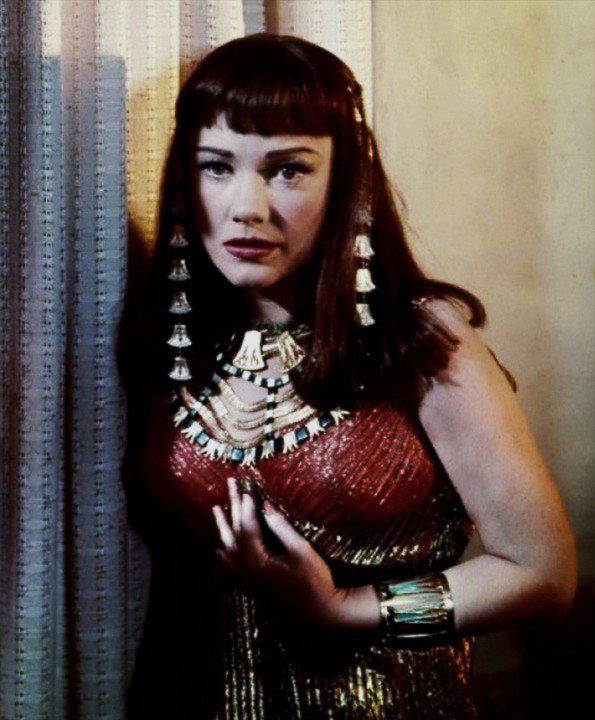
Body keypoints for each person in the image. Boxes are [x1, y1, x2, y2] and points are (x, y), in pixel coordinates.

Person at [120, 32, 577, 720]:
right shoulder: (172, 341)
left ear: (346, 180)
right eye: (216, 167)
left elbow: (541, 574)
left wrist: (342, 609)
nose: (247, 207)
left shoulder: (420, 339)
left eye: (288, 170)